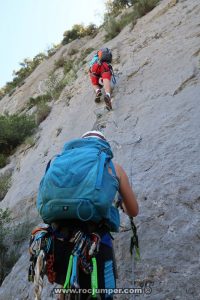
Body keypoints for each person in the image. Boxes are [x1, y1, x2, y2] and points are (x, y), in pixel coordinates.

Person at [55, 131, 139, 300]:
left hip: (60, 243)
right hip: (96, 246)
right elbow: (133, 211)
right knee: (101, 294)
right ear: (103, 147)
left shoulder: (58, 162)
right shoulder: (114, 168)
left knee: (66, 288)